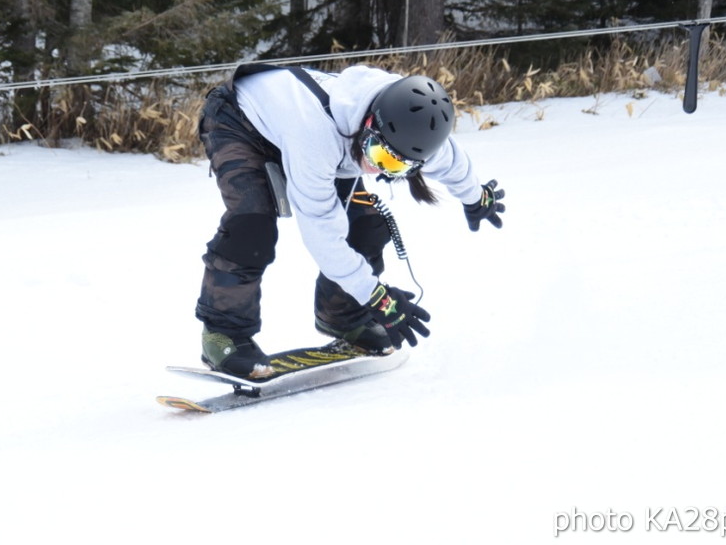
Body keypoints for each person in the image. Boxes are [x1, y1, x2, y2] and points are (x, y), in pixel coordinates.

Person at [195, 63, 505, 378]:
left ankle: (343, 316)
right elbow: (321, 233)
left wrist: (475, 196)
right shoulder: (315, 134)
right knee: (252, 224)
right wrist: (376, 296)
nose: (375, 169)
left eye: (393, 168)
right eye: (379, 156)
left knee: (367, 224)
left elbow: (450, 159)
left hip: (332, 143)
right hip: (240, 121)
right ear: (369, 123)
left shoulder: (412, 129)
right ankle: (223, 335)